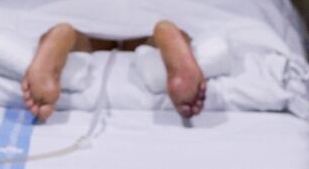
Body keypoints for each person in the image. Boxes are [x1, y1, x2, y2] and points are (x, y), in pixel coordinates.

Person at [20, 21, 207, 122]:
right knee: (143, 43)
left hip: (91, 15)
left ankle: (64, 35)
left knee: (85, 43)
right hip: (140, 16)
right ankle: (165, 35)